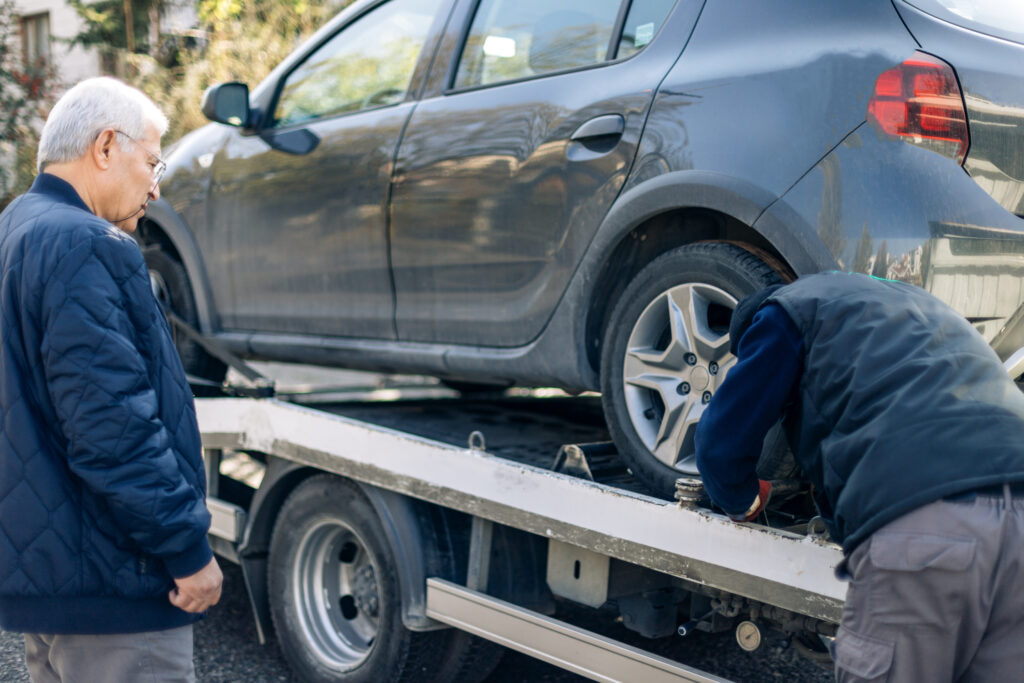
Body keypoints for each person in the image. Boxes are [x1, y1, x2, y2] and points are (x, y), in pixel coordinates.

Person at [694, 271, 1024, 682]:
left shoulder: (782, 314)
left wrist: (742, 499)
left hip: (926, 523)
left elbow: (718, 445)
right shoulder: (912, 306)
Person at [0, 77, 221, 682]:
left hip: (54, 576)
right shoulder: (87, 244)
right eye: (152, 161)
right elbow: (112, 426)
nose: (155, 185)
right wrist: (186, 548)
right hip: (116, 585)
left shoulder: (16, 227)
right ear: (104, 147)